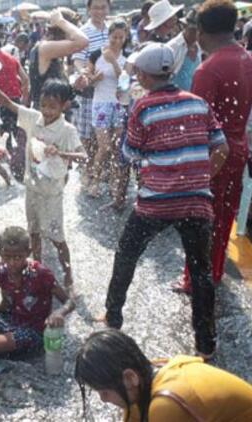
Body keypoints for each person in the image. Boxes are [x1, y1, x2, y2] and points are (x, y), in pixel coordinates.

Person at [102, 43, 230, 358]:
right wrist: (198, 179)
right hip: (196, 202)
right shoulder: (198, 104)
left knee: (126, 254)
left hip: (156, 203)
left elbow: (129, 154)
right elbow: (222, 149)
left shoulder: (142, 108)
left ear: (144, 77)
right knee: (200, 272)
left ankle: (113, 317)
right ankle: (205, 344)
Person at [176, 0, 252, 294]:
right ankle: (214, 273)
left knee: (199, 219)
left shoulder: (208, 70)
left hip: (212, 156)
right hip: (238, 149)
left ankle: (194, 280)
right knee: (224, 218)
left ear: (202, 31)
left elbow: (195, 125)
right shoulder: (247, 59)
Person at [0, 79, 85, 288]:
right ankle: (37, 268)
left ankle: (68, 273)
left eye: (53, 107)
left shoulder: (67, 130)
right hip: (32, 189)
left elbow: (83, 155)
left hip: (52, 193)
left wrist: (60, 152)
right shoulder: (35, 118)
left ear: (64, 106)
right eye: (43, 105)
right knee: (33, 232)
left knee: (57, 237)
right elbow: (10, 104)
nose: (47, 110)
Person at [75, 329, 252, 422]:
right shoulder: (149, 375)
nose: (103, 399)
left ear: (130, 378)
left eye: (104, 391)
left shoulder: (166, 404)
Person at [0, 226, 75, 358]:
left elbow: (69, 302)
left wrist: (59, 313)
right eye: (7, 257)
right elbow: (5, 305)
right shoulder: (1, 270)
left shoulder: (40, 273)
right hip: (12, 319)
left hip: (33, 331)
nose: (12, 262)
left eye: (18, 257)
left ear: (28, 252)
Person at [86, 20, 129, 202]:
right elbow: (88, 80)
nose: (117, 41)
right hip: (101, 102)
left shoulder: (127, 58)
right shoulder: (96, 54)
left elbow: (125, 82)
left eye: (121, 37)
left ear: (125, 38)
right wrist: (95, 77)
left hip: (118, 104)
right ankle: (94, 181)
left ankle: (113, 182)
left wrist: (114, 63)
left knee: (117, 149)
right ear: (108, 36)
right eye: (114, 37)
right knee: (103, 146)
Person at [0, 33, 29, 182]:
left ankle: (13, 171)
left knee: (5, 138)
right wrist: (24, 99)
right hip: (15, 102)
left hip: (0, 103)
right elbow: (25, 79)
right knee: (20, 137)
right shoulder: (12, 59)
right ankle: (24, 167)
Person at [72, 0, 111, 178]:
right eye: (95, 7)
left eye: (103, 7)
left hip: (109, 93)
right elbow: (78, 59)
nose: (99, 11)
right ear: (89, 9)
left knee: (104, 137)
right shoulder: (83, 32)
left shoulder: (112, 31)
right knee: (87, 137)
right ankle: (87, 174)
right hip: (89, 93)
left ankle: (99, 172)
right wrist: (85, 73)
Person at [29, 8, 88, 109]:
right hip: (46, 119)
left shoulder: (54, 53)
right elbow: (83, 41)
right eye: (72, 30)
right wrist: (60, 21)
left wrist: (75, 88)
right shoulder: (45, 48)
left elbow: (54, 92)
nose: (73, 36)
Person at [167, 7, 200, 91]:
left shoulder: (200, 46)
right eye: (193, 30)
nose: (197, 34)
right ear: (185, 26)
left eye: (199, 31)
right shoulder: (172, 47)